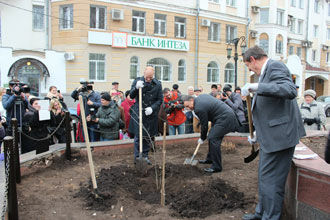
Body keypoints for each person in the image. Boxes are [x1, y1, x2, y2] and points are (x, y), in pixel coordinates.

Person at [241, 46, 306, 220]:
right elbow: (269, 108)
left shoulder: (276, 67)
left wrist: (257, 86)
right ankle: (261, 212)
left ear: (253, 59)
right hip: (271, 136)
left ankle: (270, 217)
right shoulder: (266, 73)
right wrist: (256, 133)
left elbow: (289, 90)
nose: (250, 69)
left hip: (280, 136)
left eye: (248, 65)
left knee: (271, 181)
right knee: (265, 178)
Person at [182, 94, 239, 173]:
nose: (188, 108)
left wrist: (202, 138)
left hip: (225, 118)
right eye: (186, 107)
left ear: (191, 100)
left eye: (188, 106)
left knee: (213, 139)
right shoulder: (200, 98)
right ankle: (210, 159)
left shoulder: (199, 108)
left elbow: (204, 125)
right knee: (212, 137)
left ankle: (217, 167)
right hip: (222, 117)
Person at [128, 66, 163, 165]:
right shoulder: (137, 81)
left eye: (150, 78)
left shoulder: (157, 84)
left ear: (153, 76)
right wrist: (136, 88)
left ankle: (145, 156)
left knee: (148, 136)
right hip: (138, 112)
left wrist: (152, 108)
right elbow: (131, 96)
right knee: (138, 137)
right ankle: (137, 157)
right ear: (144, 73)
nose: (148, 79)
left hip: (150, 114)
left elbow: (160, 100)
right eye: (147, 77)